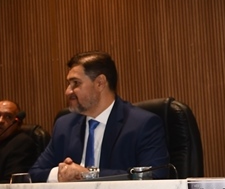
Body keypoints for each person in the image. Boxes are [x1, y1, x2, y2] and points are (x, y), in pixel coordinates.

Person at [29, 51, 169, 182]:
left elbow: (154, 176)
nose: (68, 91)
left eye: (76, 83)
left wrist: (87, 174)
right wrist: (63, 173)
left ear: (100, 83)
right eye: (69, 84)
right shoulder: (65, 126)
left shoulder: (142, 124)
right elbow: (34, 174)